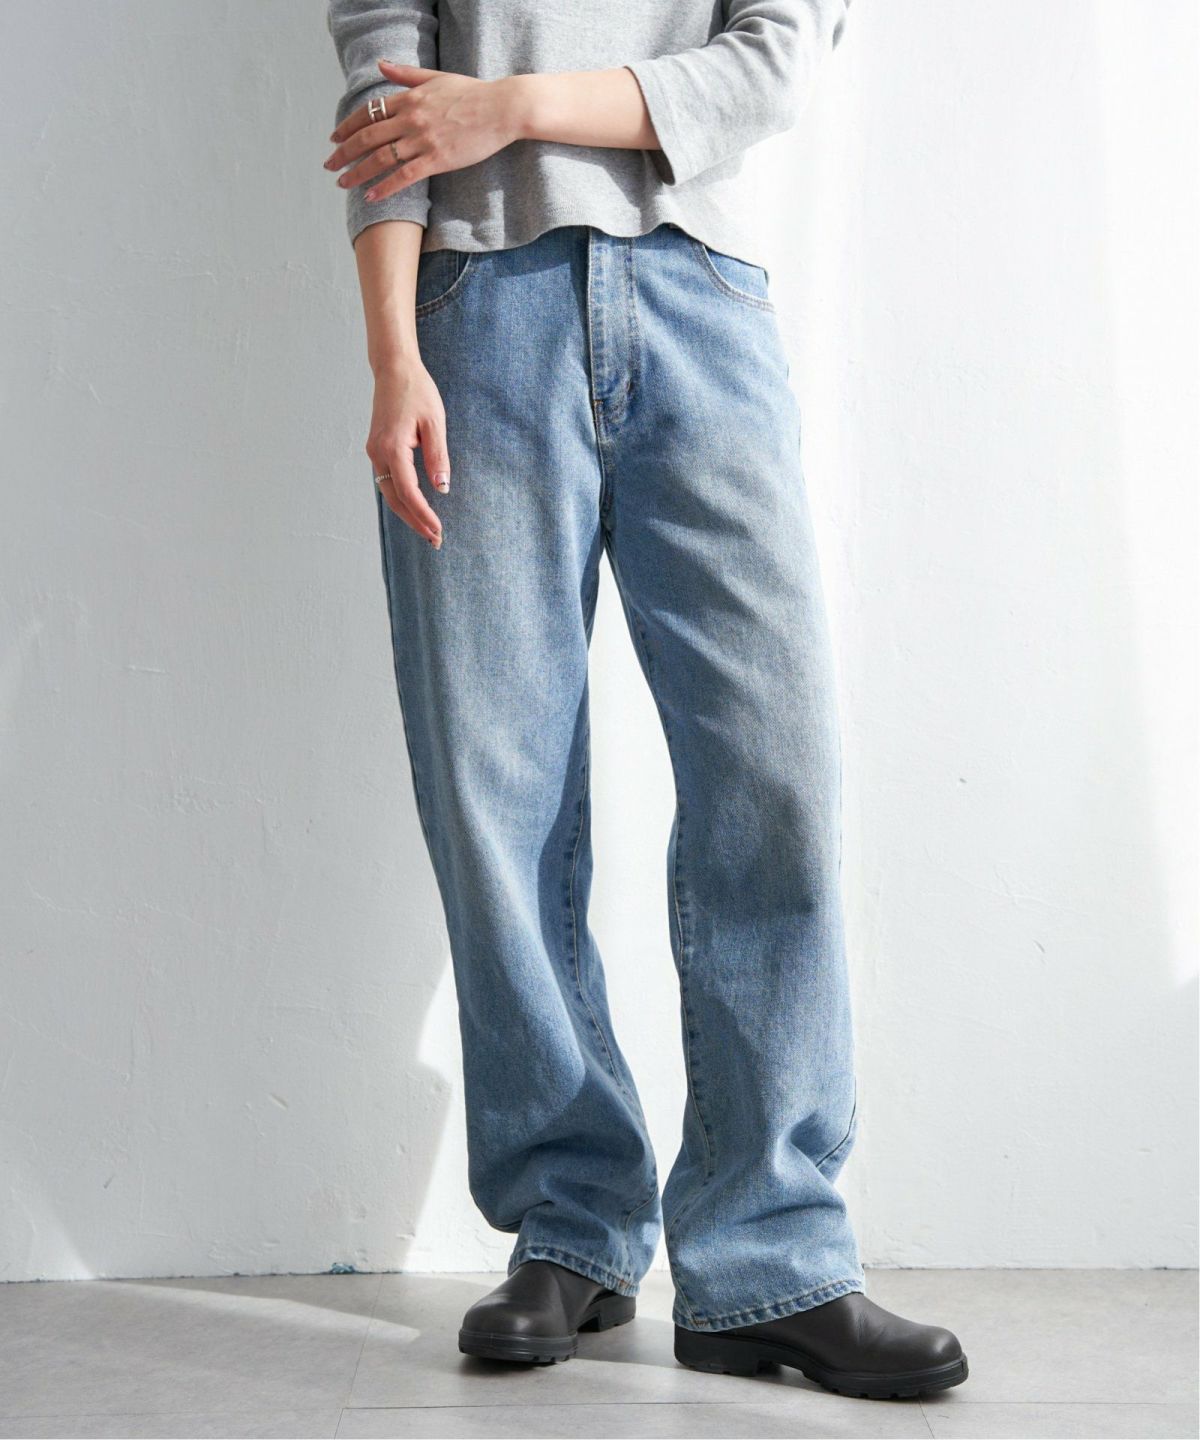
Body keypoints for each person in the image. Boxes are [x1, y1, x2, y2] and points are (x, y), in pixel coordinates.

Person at [324, 0, 968, 1400]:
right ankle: (572, 1224)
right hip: (471, 309)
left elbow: (775, 59)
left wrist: (510, 106)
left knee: (773, 777)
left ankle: (771, 1258)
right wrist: (391, 356)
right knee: (498, 796)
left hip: (698, 296)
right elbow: (383, 89)